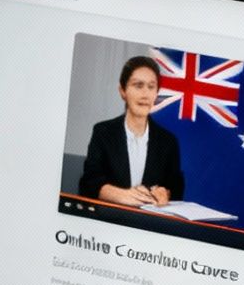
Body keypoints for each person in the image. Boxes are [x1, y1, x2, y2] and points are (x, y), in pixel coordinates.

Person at [77, 55, 184, 206]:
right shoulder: (103, 132)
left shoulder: (168, 141)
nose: (145, 94)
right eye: (138, 85)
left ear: (156, 94)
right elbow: (88, 183)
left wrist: (165, 193)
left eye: (151, 87)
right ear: (122, 91)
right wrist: (120, 195)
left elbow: (176, 188)